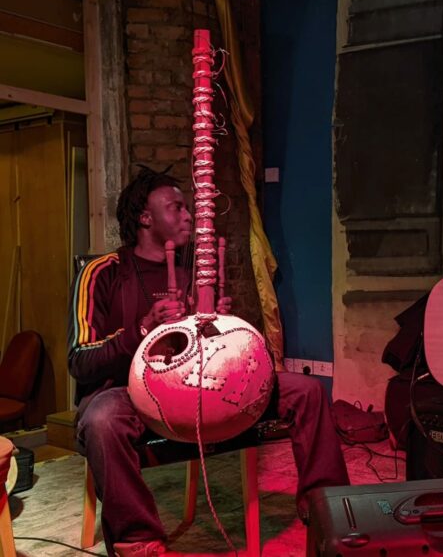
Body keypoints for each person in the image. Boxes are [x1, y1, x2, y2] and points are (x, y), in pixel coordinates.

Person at [68, 166, 350, 557]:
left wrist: (222, 329)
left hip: (199, 387)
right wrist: (142, 329)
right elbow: (79, 360)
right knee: (102, 420)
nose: (188, 216)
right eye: (176, 208)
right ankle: (138, 539)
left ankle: (329, 509)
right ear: (145, 218)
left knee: (305, 391)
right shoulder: (102, 273)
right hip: (124, 394)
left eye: (187, 208)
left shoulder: (192, 273)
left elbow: (210, 354)